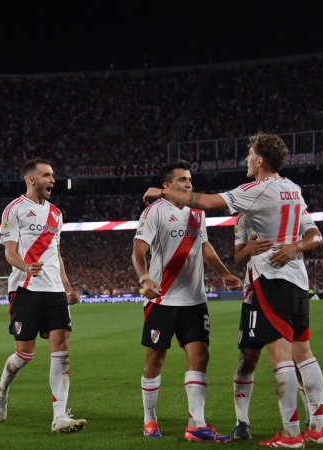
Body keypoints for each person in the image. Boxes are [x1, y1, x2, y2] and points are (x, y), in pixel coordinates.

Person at [143, 131, 323, 447]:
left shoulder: (257, 190)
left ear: (259, 160)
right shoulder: (293, 190)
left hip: (270, 279)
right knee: (304, 354)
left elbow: (208, 201)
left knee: (281, 357)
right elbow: (315, 234)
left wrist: (165, 193)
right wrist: (296, 246)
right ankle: (318, 428)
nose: (246, 160)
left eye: (249, 155)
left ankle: (291, 434)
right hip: (299, 280)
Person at [132, 160, 242, 442]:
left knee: (200, 355)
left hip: (195, 299)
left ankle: (197, 425)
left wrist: (225, 273)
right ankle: (149, 420)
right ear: (167, 186)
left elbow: (204, 246)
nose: (188, 184)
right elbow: (139, 249)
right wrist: (144, 278)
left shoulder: (197, 212)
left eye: (190, 179)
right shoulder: (155, 211)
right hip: (163, 299)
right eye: (182, 180)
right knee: (155, 359)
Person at [0, 158, 86, 433]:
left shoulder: (56, 213)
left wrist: (67, 286)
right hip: (25, 288)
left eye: (53, 175)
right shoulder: (14, 210)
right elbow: (10, 252)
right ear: (32, 179)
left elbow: (56, 254)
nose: (53, 180)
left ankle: (59, 417)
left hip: (54, 289)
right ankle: (2, 388)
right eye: (47, 175)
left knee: (62, 350)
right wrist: (26, 266)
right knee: (25, 354)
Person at [231, 210, 316, 441]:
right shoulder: (245, 215)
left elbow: (316, 236)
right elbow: (238, 258)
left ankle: (311, 419)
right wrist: (249, 249)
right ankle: (242, 421)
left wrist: (296, 246)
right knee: (248, 358)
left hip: (286, 288)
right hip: (254, 293)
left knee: (295, 358)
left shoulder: (294, 205)